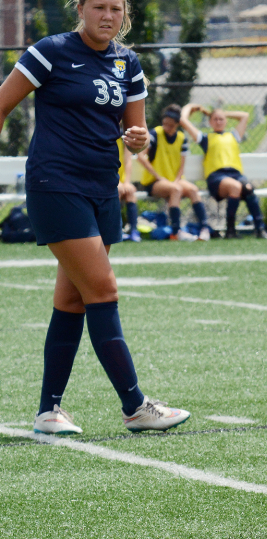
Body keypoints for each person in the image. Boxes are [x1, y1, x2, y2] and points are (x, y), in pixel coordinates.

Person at [0, 0, 191, 434]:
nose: (109, 16)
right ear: (80, 9)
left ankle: (49, 411)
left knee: (73, 299)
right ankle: (136, 405)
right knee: (102, 288)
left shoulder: (129, 63)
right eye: (99, 7)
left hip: (103, 187)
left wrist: (139, 140)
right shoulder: (50, 50)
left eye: (116, 8)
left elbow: (136, 137)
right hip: (56, 185)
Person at [179, 102, 267, 239]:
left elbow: (244, 116)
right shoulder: (205, 138)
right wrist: (190, 107)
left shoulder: (233, 136)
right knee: (235, 187)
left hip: (236, 174)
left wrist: (222, 112)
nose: (219, 121)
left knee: (248, 188)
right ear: (210, 122)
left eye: (221, 119)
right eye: (215, 119)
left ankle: (260, 228)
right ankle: (230, 230)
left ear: (226, 121)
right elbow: (183, 121)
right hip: (217, 177)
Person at [137, 103, 208, 241]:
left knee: (193, 189)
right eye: (165, 123)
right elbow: (140, 156)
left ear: (177, 124)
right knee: (176, 189)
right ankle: (176, 232)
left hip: (174, 180)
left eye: (170, 124)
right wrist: (158, 176)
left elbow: (182, 165)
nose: (167, 127)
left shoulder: (181, 138)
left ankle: (204, 228)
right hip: (155, 182)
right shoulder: (155, 134)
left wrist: (177, 178)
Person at [116, 138, 141, 242]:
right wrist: (116, 182)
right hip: (108, 180)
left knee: (130, 192)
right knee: (115, 192)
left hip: (120, 181)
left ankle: (133, 230)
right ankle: (116, 230)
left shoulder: (123, 138)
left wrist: (127, 182)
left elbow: (128, 161)